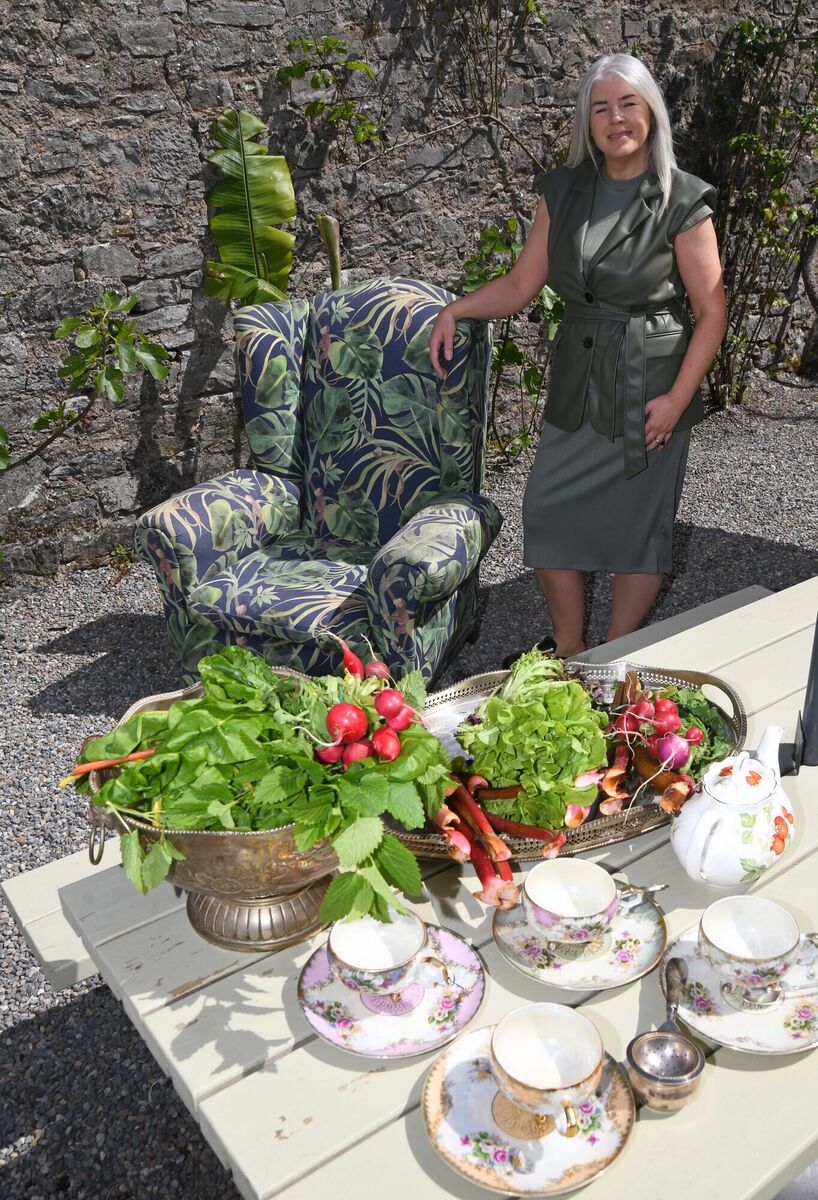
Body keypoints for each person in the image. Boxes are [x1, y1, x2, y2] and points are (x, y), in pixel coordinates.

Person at [428, 53, 727, 659]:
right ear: (586, 122)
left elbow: (712, 312)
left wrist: (676, 399)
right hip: (577, 379)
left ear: (651, 114)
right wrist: (457, 309)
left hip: (652, 381)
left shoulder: (683, 200)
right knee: (545, 510)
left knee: (637, 530)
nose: (616, 118)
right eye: (601, 108)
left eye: (628, 104)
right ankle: (568, 645)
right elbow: (520, 285)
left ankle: (614, 655)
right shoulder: (561, 192)